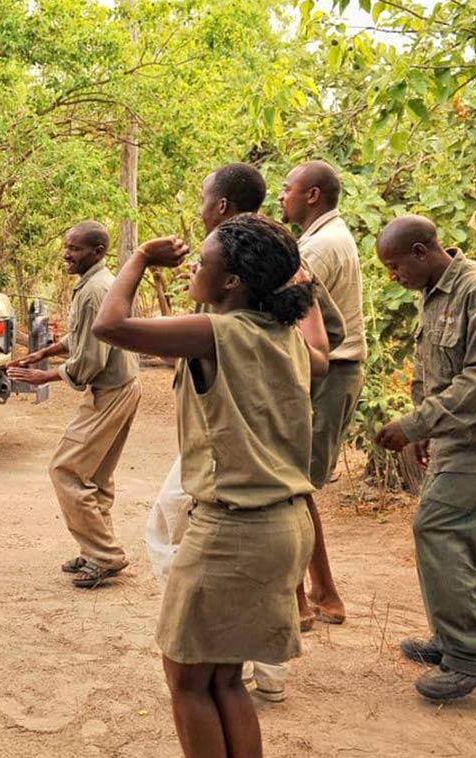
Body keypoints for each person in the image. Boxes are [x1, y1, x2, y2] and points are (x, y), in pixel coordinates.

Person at [92, 214, 320, 757]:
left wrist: (142, 258)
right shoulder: (288, 340)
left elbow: (111, 326)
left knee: (188, 680)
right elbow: (321, 345)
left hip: (231, 532)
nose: (194, 266)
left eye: (205, 261)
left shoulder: (216, 333)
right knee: (224, 679)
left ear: (233, 281)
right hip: (283, 525)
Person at [145, 161, 340, 703]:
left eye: (204, 199)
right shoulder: (282, 269)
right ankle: (256, 663)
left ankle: (211, 640)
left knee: (174, 532)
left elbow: (116, 329)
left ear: (222, 208)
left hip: (233, 450)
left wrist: (139, 261)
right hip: (264, 450)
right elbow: (318, 356)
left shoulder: (229, 291)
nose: (201, 208)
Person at [373, 215, 476, 701]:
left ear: (423, 251)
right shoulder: (434, 294)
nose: (393, 277)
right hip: (462, 438)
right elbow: (434, 372)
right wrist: (428, 429)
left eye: (395, 265)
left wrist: (415, 425)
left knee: (439, 527)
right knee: (466, 537)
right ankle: (452, 638)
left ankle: (473, 653)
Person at [6, 221, 140, 589]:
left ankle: (105, 555)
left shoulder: (96, 290)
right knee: (95, 475)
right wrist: (44, 353)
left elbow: (92, 359)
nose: (66, 253)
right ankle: (96, 549)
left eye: (75, 248)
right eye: (66, 246)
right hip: (120, 386)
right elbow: (80, 336)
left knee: (66, 470)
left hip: (110, 390)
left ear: (97, 252)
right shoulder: (94, 286)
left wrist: (48, 377)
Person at [279, 160, 364, 625]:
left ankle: (301, 602)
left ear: (312, 196)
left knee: (288, 489)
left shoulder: (319, 248)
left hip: (329, 373)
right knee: (298, 487)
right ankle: (322, 592)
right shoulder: (322, 239)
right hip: (330, 372)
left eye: (288, 189)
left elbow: (294, 314)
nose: (282, 196)